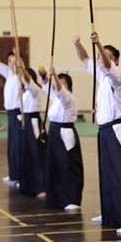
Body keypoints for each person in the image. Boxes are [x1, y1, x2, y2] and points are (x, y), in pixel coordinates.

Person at [73, 33, 121, 233]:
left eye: (107, 56)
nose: (102, 59)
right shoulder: (102, 76)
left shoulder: (118, 75)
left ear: (116, 60)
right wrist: (78, 44)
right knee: (108, 176)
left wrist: (99, 45)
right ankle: (111, 213)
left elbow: (104, 62)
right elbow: (84, 58)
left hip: (117, 129)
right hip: (104, 131)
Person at [40, 66, 84, 211]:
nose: (58, 84)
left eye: (62, 82)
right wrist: (44, 76)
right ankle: (56, 195)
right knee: (55, 165)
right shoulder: (56, 98)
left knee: (68, 166)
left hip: (65, 133)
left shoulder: (68, 98)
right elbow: (47, 87)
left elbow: (60, 91)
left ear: (68, 86)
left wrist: (54, 76)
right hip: (54, 131)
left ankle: (72, 199)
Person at [0, 47, 23, 184]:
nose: (11, 63)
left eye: (13, 61)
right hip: (9, 114)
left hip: (18, 114)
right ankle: (13, 175)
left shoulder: (22, 75)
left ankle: (21, 177)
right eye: (9, 61)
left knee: (18, 146)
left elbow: (22, 67)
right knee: (11, 147)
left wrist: (18, 55)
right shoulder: (9, 73)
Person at [18, 67, 46, 197]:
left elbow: (28, 80)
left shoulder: (35, 89)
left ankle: (41, 187)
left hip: (34, 122)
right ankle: (27, 184)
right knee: (26, 153)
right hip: (25, 122)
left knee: (36, 154)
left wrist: (21, 67)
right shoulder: (24, 92)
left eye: (26, 76)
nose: (24, 78)